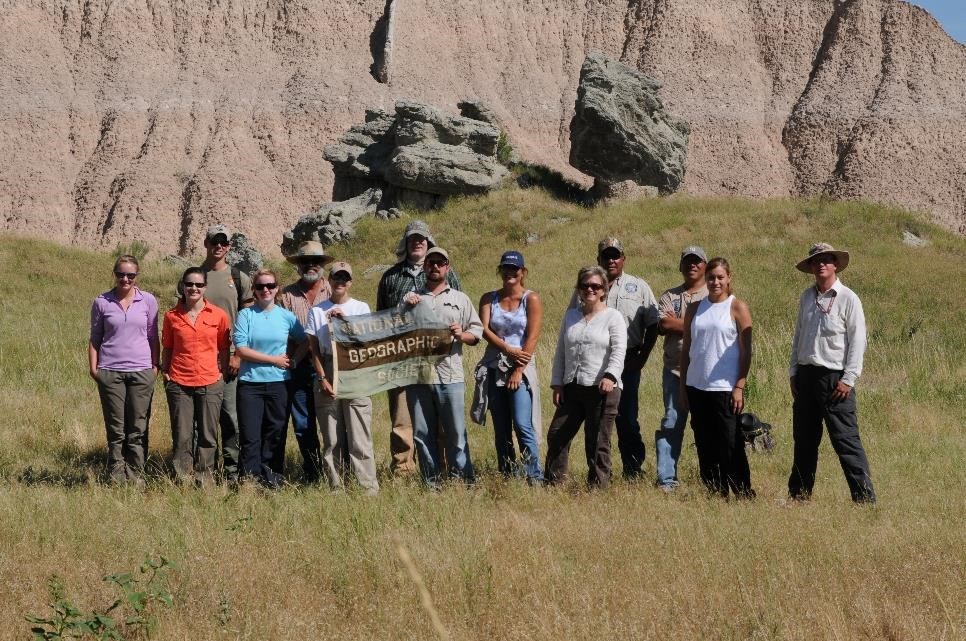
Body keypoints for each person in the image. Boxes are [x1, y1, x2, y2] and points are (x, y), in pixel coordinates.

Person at [788, 243, 876, 503]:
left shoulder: (848, 298)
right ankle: (799, 496)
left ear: (835, 265)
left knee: (846, 441)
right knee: (804, 441)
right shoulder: (806, 297)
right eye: (816, 261)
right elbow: (799, 336)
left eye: (826, 260)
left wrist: (849, 379)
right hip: (806, 376)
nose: (821, 264)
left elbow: (858, 340)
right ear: (812, 267)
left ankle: (864, 500)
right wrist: (793, 371)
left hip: (835, 379)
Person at [376, 220, 461, 477]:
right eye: (412, 238)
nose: (418, 242)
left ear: (429, 242)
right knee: (402, 420)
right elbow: (379, 319)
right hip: (401, 361)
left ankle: (442, 470)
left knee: (439, 419)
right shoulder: (390, 277)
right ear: (405, 243)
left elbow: (458, 311)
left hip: (438, 362)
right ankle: (403, 471)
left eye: (422, 238)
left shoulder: (449, 274)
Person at [402, 247, 482, 487]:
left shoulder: (460, 299)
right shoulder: (410, 298)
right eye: (431, 262)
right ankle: (431, 483)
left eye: (440, 262)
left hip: (450, 375)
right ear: (424, 266)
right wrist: (405, 307)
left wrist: (461, 335)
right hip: (419, 377)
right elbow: (395, 332)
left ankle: (464, 480)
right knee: (422, 434)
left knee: (456, 432)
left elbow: (476, 332)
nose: (435, 266)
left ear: (447, 267)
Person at [545, 266, 626, 489]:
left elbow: (619, 350)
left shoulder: (613, 317)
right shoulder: (571, 316)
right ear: (579, 289)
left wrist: (610, 376)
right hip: (572, 386)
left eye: (596, 286)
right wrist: (558, 384)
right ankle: (554, 484)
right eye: (585, 285)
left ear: (604, 289)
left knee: (597, 441)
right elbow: (561, 350)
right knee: (557, 434)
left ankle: (598, 488)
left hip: (602, 388)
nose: (590, 289)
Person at [679, 257, 754, 498]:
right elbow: (687, 349)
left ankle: (742, 492)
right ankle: (714, 491)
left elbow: (746, 351)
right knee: (704, 442)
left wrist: (739, 385)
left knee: (730, 442)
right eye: (711, 277)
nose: (715, 282)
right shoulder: (694, 308)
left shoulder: (737, 307)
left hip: (724, 387)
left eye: (720, 277)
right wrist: (683, 387)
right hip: (696, 385)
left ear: (729, 278)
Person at [306, 261, 379, 494]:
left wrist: (344, 323)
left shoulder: (361, 307)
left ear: (350, 282)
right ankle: (336, 487)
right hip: (327, 367)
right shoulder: (317, 311)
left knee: (360, 435)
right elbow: (313, 349)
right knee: (332, 436)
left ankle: (367, 487)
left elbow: (367, 344)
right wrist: (321, 378)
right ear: (329, 280)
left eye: (345, 278)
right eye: (336, 277)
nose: (340, 282)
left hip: (355, 368)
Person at [88, 254, 159, 485]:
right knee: (116, 427)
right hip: (110, 370)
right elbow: (95, 338)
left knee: (137, 426)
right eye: (121, 274)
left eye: (130, 275)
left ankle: (136, 473)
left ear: (137, 276)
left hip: (141, 371)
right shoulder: (102, 302)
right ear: (115, 275)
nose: (125, 279)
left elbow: (152, 336)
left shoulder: (148, 300)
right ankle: (117, 474)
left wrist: (155, 367)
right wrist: (94, 369)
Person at [477, 250, 544, 483]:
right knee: (501, 425)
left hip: (521, 366)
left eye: (514, 269)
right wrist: (506, 349)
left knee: (522, 423)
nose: (509, 273)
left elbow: (532, 337)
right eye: (505, 268)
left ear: (522, 272)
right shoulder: (489, 298)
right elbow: (483, 329)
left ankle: (534, 476)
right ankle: (506, 473)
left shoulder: (531, 299)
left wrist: (518, 370)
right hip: (495, 365)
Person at [234, 269, 304, 489]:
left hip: (279, 382)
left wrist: (294, 360)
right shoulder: (246, 315)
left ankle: (272, 477)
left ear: (277, 288)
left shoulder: (286, 316)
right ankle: (249, 479)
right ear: (253, 289)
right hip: (250, 383)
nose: (266, 290)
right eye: (260, 286)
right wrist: (274, 359)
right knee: (250, 433)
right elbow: (242, 350)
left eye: (270, 286)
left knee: (275, 432)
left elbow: (305, 341)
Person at [595, 237, 659, 479]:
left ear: (623, 259)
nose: (611, 260)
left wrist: (643, 357)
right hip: (597, 361)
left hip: (628, 362)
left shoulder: (639, 286)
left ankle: (633, 468)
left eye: (616, 255)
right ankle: (601, 470)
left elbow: (653, 324)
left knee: (628, 418)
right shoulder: (590, 286)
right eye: (606, 255)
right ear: (598, 259)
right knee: (599, 418)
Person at [160, 267, 231, 485]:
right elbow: (168, 347)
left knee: (208, 435)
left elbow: (224, 348)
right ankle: (183, 479)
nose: (194, 288)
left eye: (199, 285)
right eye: (189, 284)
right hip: (180, 382)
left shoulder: (218, 315)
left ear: (205, 288)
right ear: (182, 286)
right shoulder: (172, 316)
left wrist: (222, 373)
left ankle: (206, 478)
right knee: (182, 435)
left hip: (210, 381)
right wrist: (166, 372)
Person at [200, 224, 253, 484]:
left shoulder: (239, 277)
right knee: (203, 418)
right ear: (206, 244)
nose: (218, 246)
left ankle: (232, 472)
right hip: (199, 358)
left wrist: (238, 355)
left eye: (223, 242)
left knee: (230, 416)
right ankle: (205, 471)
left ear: (229, 246)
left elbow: (247, 320)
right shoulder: (195, 276)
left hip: (230, 358)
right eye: (214, 241)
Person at [654, 246, 709, 490]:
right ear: (680, 266)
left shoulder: (713, 293)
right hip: (674, 370)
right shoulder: (670, 295)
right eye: (687, 261)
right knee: (672, 421)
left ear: (705, 266)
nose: (692, 265)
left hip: (706, 373)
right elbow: (664, 322)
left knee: (706, 424)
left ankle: (711, 475)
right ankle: (667, 479)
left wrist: (681, 324)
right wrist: (698, 324)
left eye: (697, 261)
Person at [279, 241, 333, 483]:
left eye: (316, 261)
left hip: (332, 367)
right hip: (299, 367)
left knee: (333, 420)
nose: (311, 265)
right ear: (298, 266)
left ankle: (338, 469)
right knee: (303, 423)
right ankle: (313, 472)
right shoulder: (287, 295)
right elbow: (281, 332)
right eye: (305, 261)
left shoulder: (334, 291)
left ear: (322, 264)